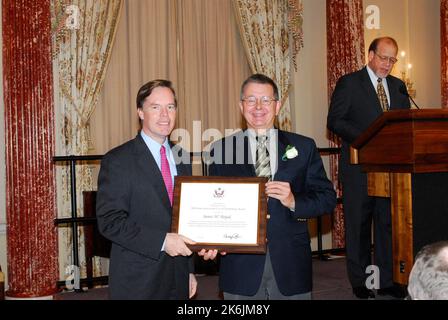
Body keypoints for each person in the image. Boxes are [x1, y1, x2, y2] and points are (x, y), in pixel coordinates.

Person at [205, 73, 336, 300]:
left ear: (277, 106)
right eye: (251, 100)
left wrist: (294, 201)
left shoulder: (303, 147)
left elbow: (327, 199)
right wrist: (213, 240)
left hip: (291, 262)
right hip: (239, 266)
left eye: (266, 100)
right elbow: (212, 207)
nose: (258, 107)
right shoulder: (221, 150)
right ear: (241, 105)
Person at [96, 79, 198, 299]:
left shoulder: (182, 158)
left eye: (170, 107)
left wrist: (189, 271)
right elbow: (110, 222)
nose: (165, 115)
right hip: (138, 281)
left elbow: (184, 220)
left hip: (178, 277)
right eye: (155, 107)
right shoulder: (118, 160)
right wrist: (162, 241)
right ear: (140, 112)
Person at [327, 37, 410, 299]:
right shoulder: (350, 83)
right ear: (371, 55)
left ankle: (387, 280)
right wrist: (368, 138)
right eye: (383, 58)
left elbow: (404, 125)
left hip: (389, 173)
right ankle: (360, 282)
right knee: (359, 227)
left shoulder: (398, 87)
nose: (387, 64)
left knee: (387, 227)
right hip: (359, 170)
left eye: (392, 60)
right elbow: (335, 121)